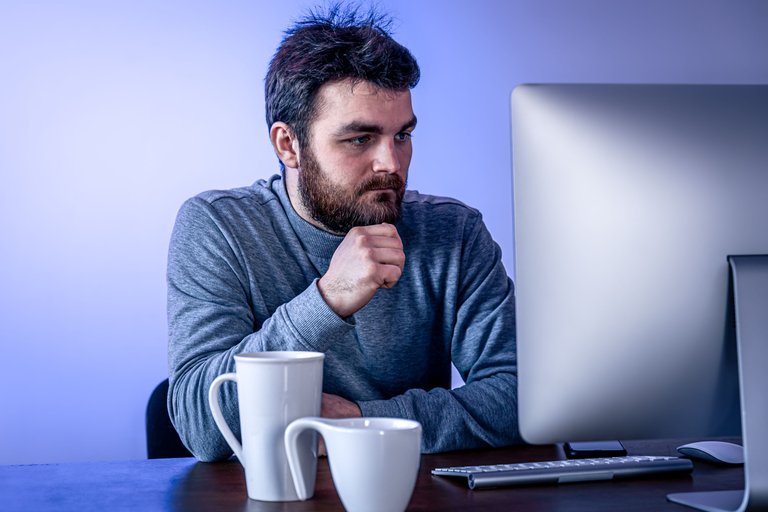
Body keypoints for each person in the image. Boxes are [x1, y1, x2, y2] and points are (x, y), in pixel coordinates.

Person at [167, 4, 518, 462]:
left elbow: (518, 397)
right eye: (359, 139)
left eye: (402, 136)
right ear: (288, 145)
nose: (391, 164)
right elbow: (201, 426)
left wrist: (361, 422)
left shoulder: (454, 232)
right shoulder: (219, 227)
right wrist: (328, 299)